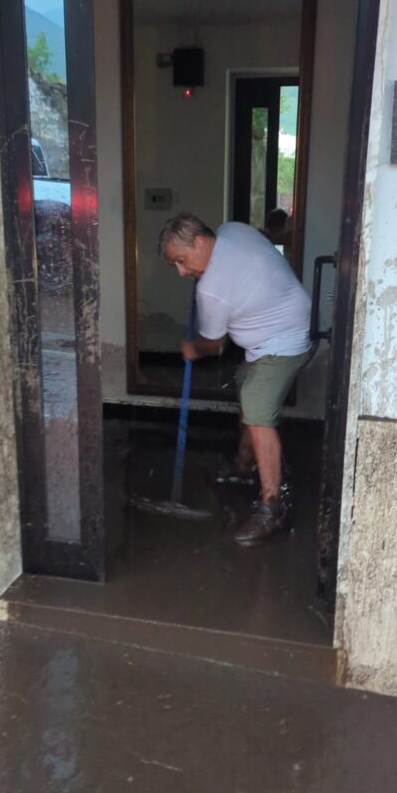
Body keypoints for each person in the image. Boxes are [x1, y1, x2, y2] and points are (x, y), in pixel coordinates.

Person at [158, 212, 312, 546]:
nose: (182, 272)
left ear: (199, 241)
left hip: (284, 341)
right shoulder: (232, 229)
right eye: (176, 266)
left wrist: (191, 349)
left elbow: (214, 345)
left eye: (182, 261)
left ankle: (273, 507)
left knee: (257, 410)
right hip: (282, 329)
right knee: (245, 387)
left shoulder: (212, 289)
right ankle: (245, 466)